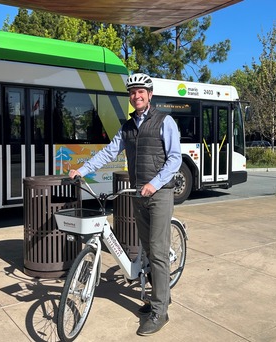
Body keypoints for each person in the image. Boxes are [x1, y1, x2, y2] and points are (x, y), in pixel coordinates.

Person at [68, 73, 182, 336]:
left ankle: (160, 311)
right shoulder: (128, 126)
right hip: (137, 194)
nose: (136, 95)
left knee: (157, 251)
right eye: (132, 92)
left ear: (150, 95)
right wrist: (82, 170)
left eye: (141, 91)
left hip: (160, 194)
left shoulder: (165, 122)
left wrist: (154, 183)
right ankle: (159, 297)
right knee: (146, 249)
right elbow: (109, 152)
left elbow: (175, 159)